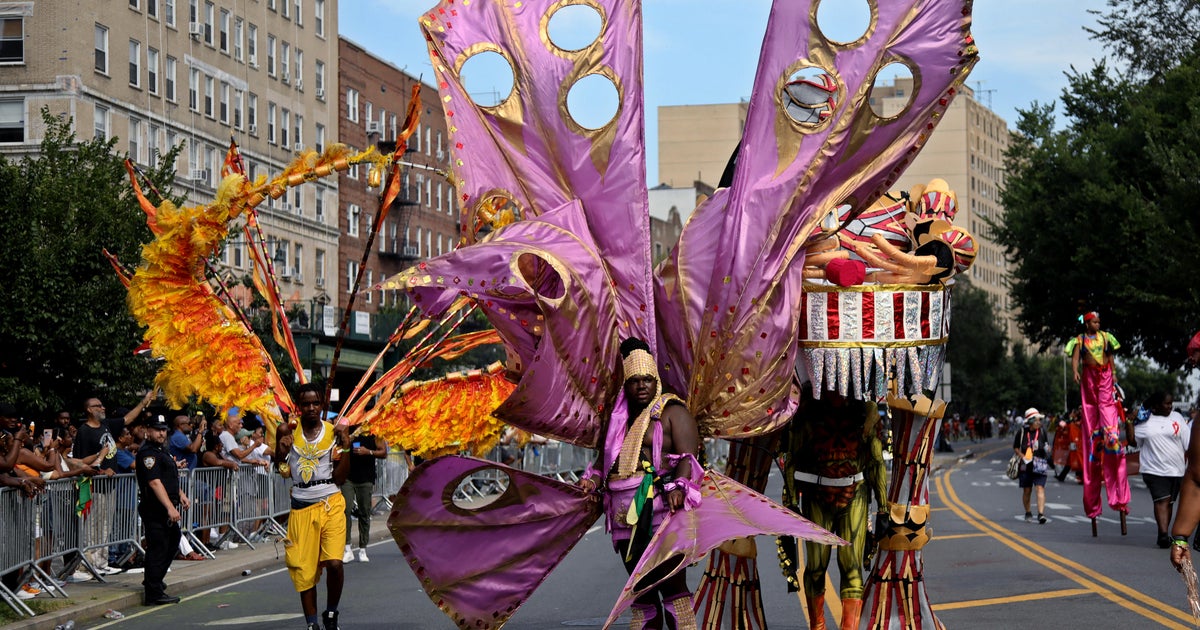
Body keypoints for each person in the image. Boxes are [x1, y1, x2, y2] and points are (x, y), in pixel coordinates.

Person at [578, 338, 701, 630]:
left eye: (647, 379)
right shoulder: (618, 419)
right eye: (635, 381)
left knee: (672, 589)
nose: (642, 385)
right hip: (623, 518)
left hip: (661, 511)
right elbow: (602, 462)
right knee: (641, 591)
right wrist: (592, 479)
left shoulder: (672, 411)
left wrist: (681, 485)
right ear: (627, 384)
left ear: (655, 379)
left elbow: (689, 456)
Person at [779, 387, 887, 630]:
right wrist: (791, 504)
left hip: (855, 493)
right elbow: (792, 458)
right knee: (816, 567)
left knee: (851, 567)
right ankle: (817, 626)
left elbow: (877, 461)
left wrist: (883, 508)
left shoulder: (865, 409)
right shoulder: (807, 406)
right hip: (816, 495)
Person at [274, 382, 352, 630]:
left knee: (335, 563)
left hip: (331, 503)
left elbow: (340, 478)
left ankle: (330, 614)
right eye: (305, 404)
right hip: (301, 508)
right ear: (298, 406)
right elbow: (283, 471)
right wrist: (281, 450)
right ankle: (311, 624)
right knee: (305, 571)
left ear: (322, 406)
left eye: (315, 403)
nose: (310, 408)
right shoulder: (287, 430)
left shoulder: (333, 432)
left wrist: (346, 446)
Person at [1066, 311, 1131, 533]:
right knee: (1091, 415)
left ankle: (1110, 434)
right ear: (1087, 323)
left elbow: (1110, 356)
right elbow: (1075, 357)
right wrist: (1075, 371)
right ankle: (1097, 435)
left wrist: (1113, 374)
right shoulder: (1080, 340)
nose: (1098, 324)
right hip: (1089, 377)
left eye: (1099, 321)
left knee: (1108, 417)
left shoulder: (1106, 337)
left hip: (1103, 377)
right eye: (1094, 321)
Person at [135, 416, 190, 605]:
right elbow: (154, 482)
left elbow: (167, 476)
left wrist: (180, 494)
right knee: (158, 548)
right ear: (147, 431)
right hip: (155, 508)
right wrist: (169, 507)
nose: (161, 433)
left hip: (165, 506)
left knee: (172, 542)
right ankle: (153, 592)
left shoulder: (161, 451)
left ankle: (154, 579)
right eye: (157, 430)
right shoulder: (147, 454)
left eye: (164, 430)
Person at [1135, 392, 1190, 548]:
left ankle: (1162, 533)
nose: (1170, 407)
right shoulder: (1144, 421)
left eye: (1171, 403)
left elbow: (1187, 441)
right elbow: (1135, 442)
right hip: (1153, 469)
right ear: (1156, 406)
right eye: (1166, 404)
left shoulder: (1177, 418)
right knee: (1162, 500)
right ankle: (1164, 534)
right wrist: (1130, 424)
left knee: (1169, 502)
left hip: (1176, 469)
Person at [340, 429, 387, 563]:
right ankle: (347, 548)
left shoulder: (375, 432)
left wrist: (369, 452)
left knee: (364, 513)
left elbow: (384, 452)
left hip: (366, 478)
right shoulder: (349, 428)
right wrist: (347, 438)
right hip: (348, 478)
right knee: (345, 511)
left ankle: (362, 548)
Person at [1014, 408, 1050, 524]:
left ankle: (1041, 514)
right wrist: (1022, 456)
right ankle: (1028, 512)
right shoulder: (1022, 432)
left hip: (1040, 464)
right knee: (1027, 490)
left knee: (1040, 488)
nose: (1039, 422)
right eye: (1037, 420)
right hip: (1026, 465)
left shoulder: (1043, 432)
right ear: (1030, 421)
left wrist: (1047, 449)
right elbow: (1016, 447)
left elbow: (1046, 444)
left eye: (1040, 420)